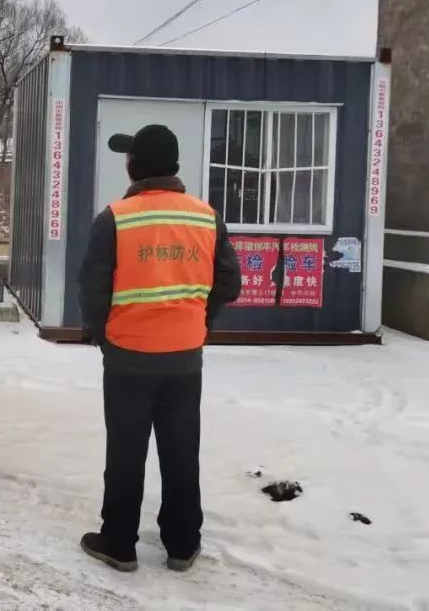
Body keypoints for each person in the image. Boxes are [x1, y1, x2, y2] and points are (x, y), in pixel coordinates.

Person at [78, 124, 241, 572]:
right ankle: (184, 543)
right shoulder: (206, 217)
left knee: (126, 452)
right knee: (181, 449)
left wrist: (104, 339)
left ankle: (118, 542)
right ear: (174, 167)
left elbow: (91, 293)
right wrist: (200, 323)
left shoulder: (114, 217)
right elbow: (230, 282)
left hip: (128, 357)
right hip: (185, 359)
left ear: (133, 167)